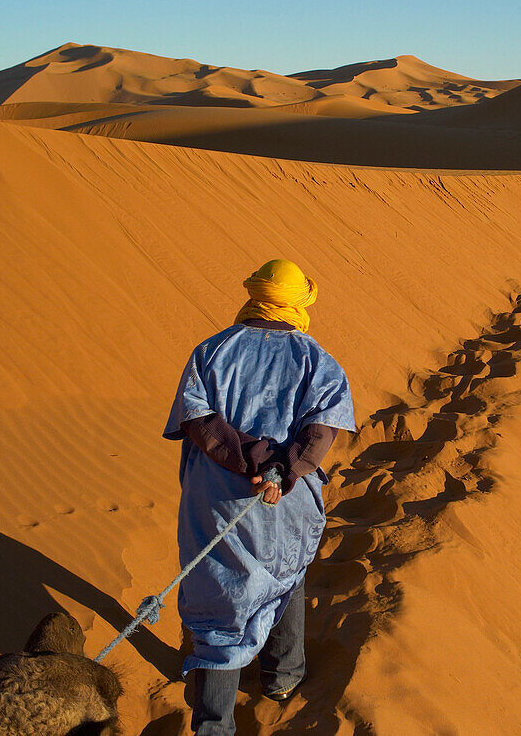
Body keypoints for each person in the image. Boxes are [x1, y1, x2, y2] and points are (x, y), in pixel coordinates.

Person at [163, 259, 355, 734]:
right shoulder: (318, 360)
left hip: (215, 501)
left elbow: (198, 421)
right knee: (285, 573)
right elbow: (320, 432)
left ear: (255, 295)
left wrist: (246, 457)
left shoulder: (210, 351)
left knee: (218, 607)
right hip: (283, 499)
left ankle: (214, 723)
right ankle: (282, 678)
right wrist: (280, 468)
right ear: (297, 302)